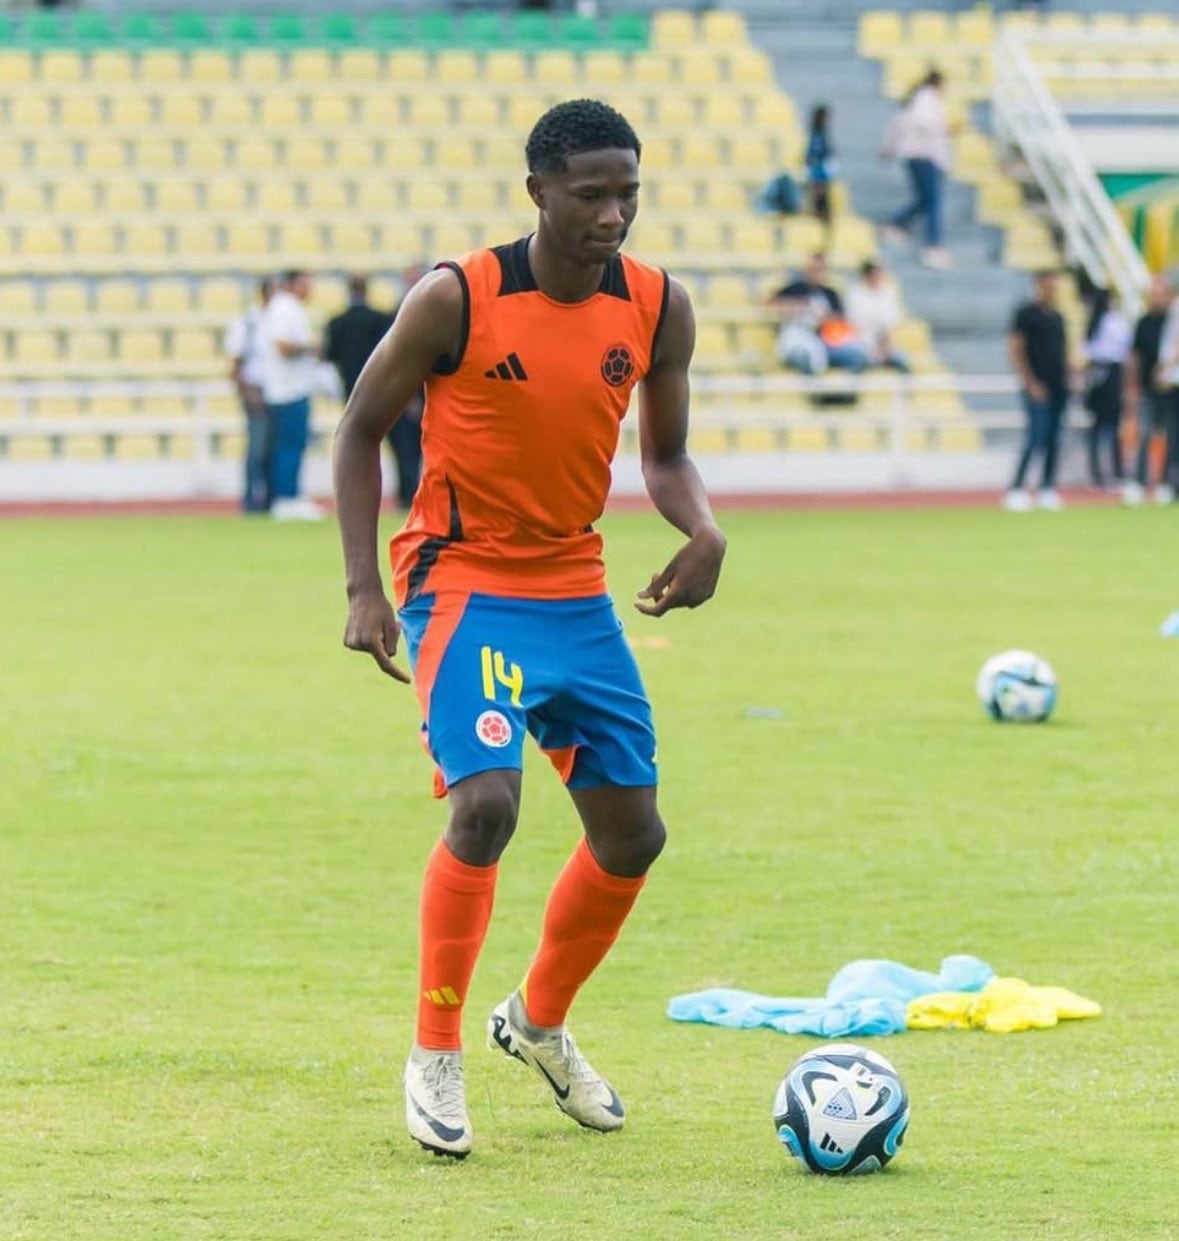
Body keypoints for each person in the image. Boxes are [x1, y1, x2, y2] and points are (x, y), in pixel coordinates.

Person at [332, 99, 726, 1160]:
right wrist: (365, 587)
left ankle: (538, 1020)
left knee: (634, 833)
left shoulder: (655, 304)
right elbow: (362, 426)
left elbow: (667, 455)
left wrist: (704, 528)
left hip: (575, 588)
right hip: (462, 580)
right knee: (487, 808)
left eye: (628, 193)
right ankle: (435, 1049)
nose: (613, 214)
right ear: (538, 192)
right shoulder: (457, 297)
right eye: (592, 193)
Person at [324, 272, 423, 510]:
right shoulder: (380, 320)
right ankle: (407, 496)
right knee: (404, 448)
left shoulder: (336, 322)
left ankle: (357, 505)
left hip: (353, 392)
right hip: (389, 391)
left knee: (357, 442)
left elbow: (330, 356)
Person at [1004, 269, 1070, 511]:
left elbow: (1062, 352)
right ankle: (1017, 487)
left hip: (1059, 386)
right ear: (1038, 285)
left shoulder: (1058, 317)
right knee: (1035, 436)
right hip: (1037, 385)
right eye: (1048, 283)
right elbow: (1016, 348)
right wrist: (1030, 381)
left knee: (1054, 438)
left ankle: (1047, 487)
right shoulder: (1026, 314)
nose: (1052, 288)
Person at [259, 269, 322, 521]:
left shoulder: (282, 307)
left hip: (286, 388)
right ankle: (287, 498)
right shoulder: (285, 308)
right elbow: (282, 345)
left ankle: (288, 495)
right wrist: (311, 345)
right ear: (294, 284)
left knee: (290, 444)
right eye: (306, 283)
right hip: (289, 389)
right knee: (290, 445)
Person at [881, 70, 952, 270]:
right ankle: (933, 245)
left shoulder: (917, 100)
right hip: (923, 156)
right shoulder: (926, 99)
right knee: (933, 202)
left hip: (921, 156)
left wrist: (889, 148)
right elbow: (923, 123)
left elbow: (899, 124)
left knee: (925, 199)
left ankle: (897, 223)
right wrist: (944, 129)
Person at [224, 276, 276, 513]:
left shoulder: (281, 321)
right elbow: (235, 363)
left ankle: (271, 499)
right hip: (257, 392)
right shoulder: (249, 322)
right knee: (257, 448)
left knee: (275, 449)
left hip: (279, 392)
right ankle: (252, 499)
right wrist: (247, 393)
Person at [770, 252, 867, 375]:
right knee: (805, 358)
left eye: (820, 270)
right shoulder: (795, 289)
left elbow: (840, 318)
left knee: (857, 356)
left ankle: (842, 391)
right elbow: (770, 303)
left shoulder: (831, 293)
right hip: (800, 339)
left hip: (828, 341)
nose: (817, 273)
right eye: (813, 269)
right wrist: (797, 305)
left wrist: (825, 318)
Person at [1127, 275, 1177, 504]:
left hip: (1170, 388)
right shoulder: (1143, 322)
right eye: (1153, 293)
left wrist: (1165, 370)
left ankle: (1166, 483)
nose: (1157, 297)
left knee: (1170, 436)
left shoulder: (1173, 320)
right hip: (1148, 387)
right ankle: (1138, 482)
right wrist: (1133, 386)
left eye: (1161, 292)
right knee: (1145, 434)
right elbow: (1135, 357)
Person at [1081, 288, 1132, 489]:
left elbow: (1087, 352)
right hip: (1111, 374)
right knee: (1113, 425)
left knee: (1097, 427)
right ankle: (1116, 471)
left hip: (1096, 375)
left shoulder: (1092, 322)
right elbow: (1125, 349)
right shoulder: (1115, 321)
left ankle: (1097, 473)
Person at [845, 259, 910, 372]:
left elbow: (893, 319)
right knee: (858, 357)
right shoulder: (855, 294)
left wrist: (884, 343)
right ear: (866, 275)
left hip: (885, 343)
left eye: (880, 274)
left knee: (902, 359)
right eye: (874, 274)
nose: (878, 278)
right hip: (861, 341)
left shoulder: (887, 293)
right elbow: (855, 320)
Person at [804, 105, 838, 240]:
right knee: (820, 194)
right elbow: (814, 153)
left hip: (821, 168)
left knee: (823, 194)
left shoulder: (822, 133)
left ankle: (822, 219)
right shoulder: (817, 134)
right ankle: (819, 218)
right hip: (818, 168)